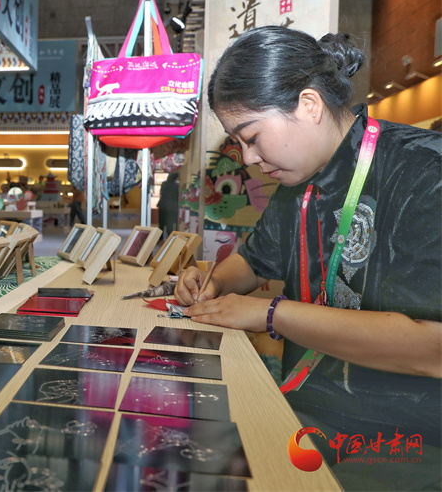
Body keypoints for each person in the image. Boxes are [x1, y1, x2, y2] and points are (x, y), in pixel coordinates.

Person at [174, 26, 441, 490]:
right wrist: (213, 282)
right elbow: (253, 261)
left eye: (252, 136)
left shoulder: (424, 171)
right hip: (307, 411)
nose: (248, 159)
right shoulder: (297, 182)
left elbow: (431, 349)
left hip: (405, 437)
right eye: (238, 143)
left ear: (309, 105)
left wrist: (271, 314)